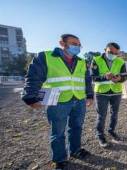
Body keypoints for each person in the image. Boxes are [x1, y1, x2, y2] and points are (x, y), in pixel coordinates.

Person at [22, 34, 93, 169]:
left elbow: (87, 80)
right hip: (57, 100)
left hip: (78, 99)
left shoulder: (82, 61)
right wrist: (30, 97)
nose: (77, 47)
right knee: (58, 132)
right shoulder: (45, 57)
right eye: (73, 43)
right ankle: (59, 159)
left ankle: (76, 150)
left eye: (79, 45)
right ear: (62, 43)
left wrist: (89, 95)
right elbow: (33, 77)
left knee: (76, 127)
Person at [91, 42, 127, 147]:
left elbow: (125, 76)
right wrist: (104, 77)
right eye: (110, 52)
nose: (113, 54)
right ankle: (100, 135)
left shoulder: (121, 61)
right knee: (101, 115)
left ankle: (111, 131)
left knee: (114, 114)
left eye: (116, 53)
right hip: (101, 93)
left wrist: (120, 78)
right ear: (105, 50)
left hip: (116, 92)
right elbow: (93, 77)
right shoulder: (96, 60)